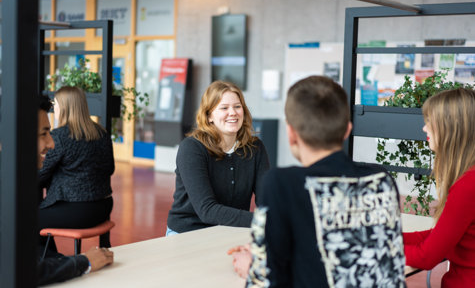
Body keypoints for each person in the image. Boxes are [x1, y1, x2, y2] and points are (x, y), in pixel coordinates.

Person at [230, 76, 406, 287]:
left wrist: (253, 264)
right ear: (347, 130)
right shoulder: (381, 179)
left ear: (291, 134)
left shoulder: (283, 184)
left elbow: (264, 281)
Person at [166, 81, 270, 235]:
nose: (233, 113)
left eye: (237, 106)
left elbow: (266, 200)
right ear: (209, 116)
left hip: (232, 230)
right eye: (224, 108)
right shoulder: (192, 148)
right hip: (189, 233)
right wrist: (264, 221)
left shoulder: (255, 148)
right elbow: (207, 210)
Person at [37, 94, 113, 285]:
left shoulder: (61, 136)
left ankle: (51, 261)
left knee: (29, 219)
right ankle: (56, 261)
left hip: (76, 212)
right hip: (104, 207)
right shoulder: (101, 133)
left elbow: (39, 174)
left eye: (56, 106)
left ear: (63, 108)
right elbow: (110, 168)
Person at [403, 88, 475, 287]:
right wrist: (386, 235)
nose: (424, 129)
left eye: (429, 122)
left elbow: (427, 256)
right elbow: (440, 236)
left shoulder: (468, 185)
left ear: (451, 127)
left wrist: (372, 245)